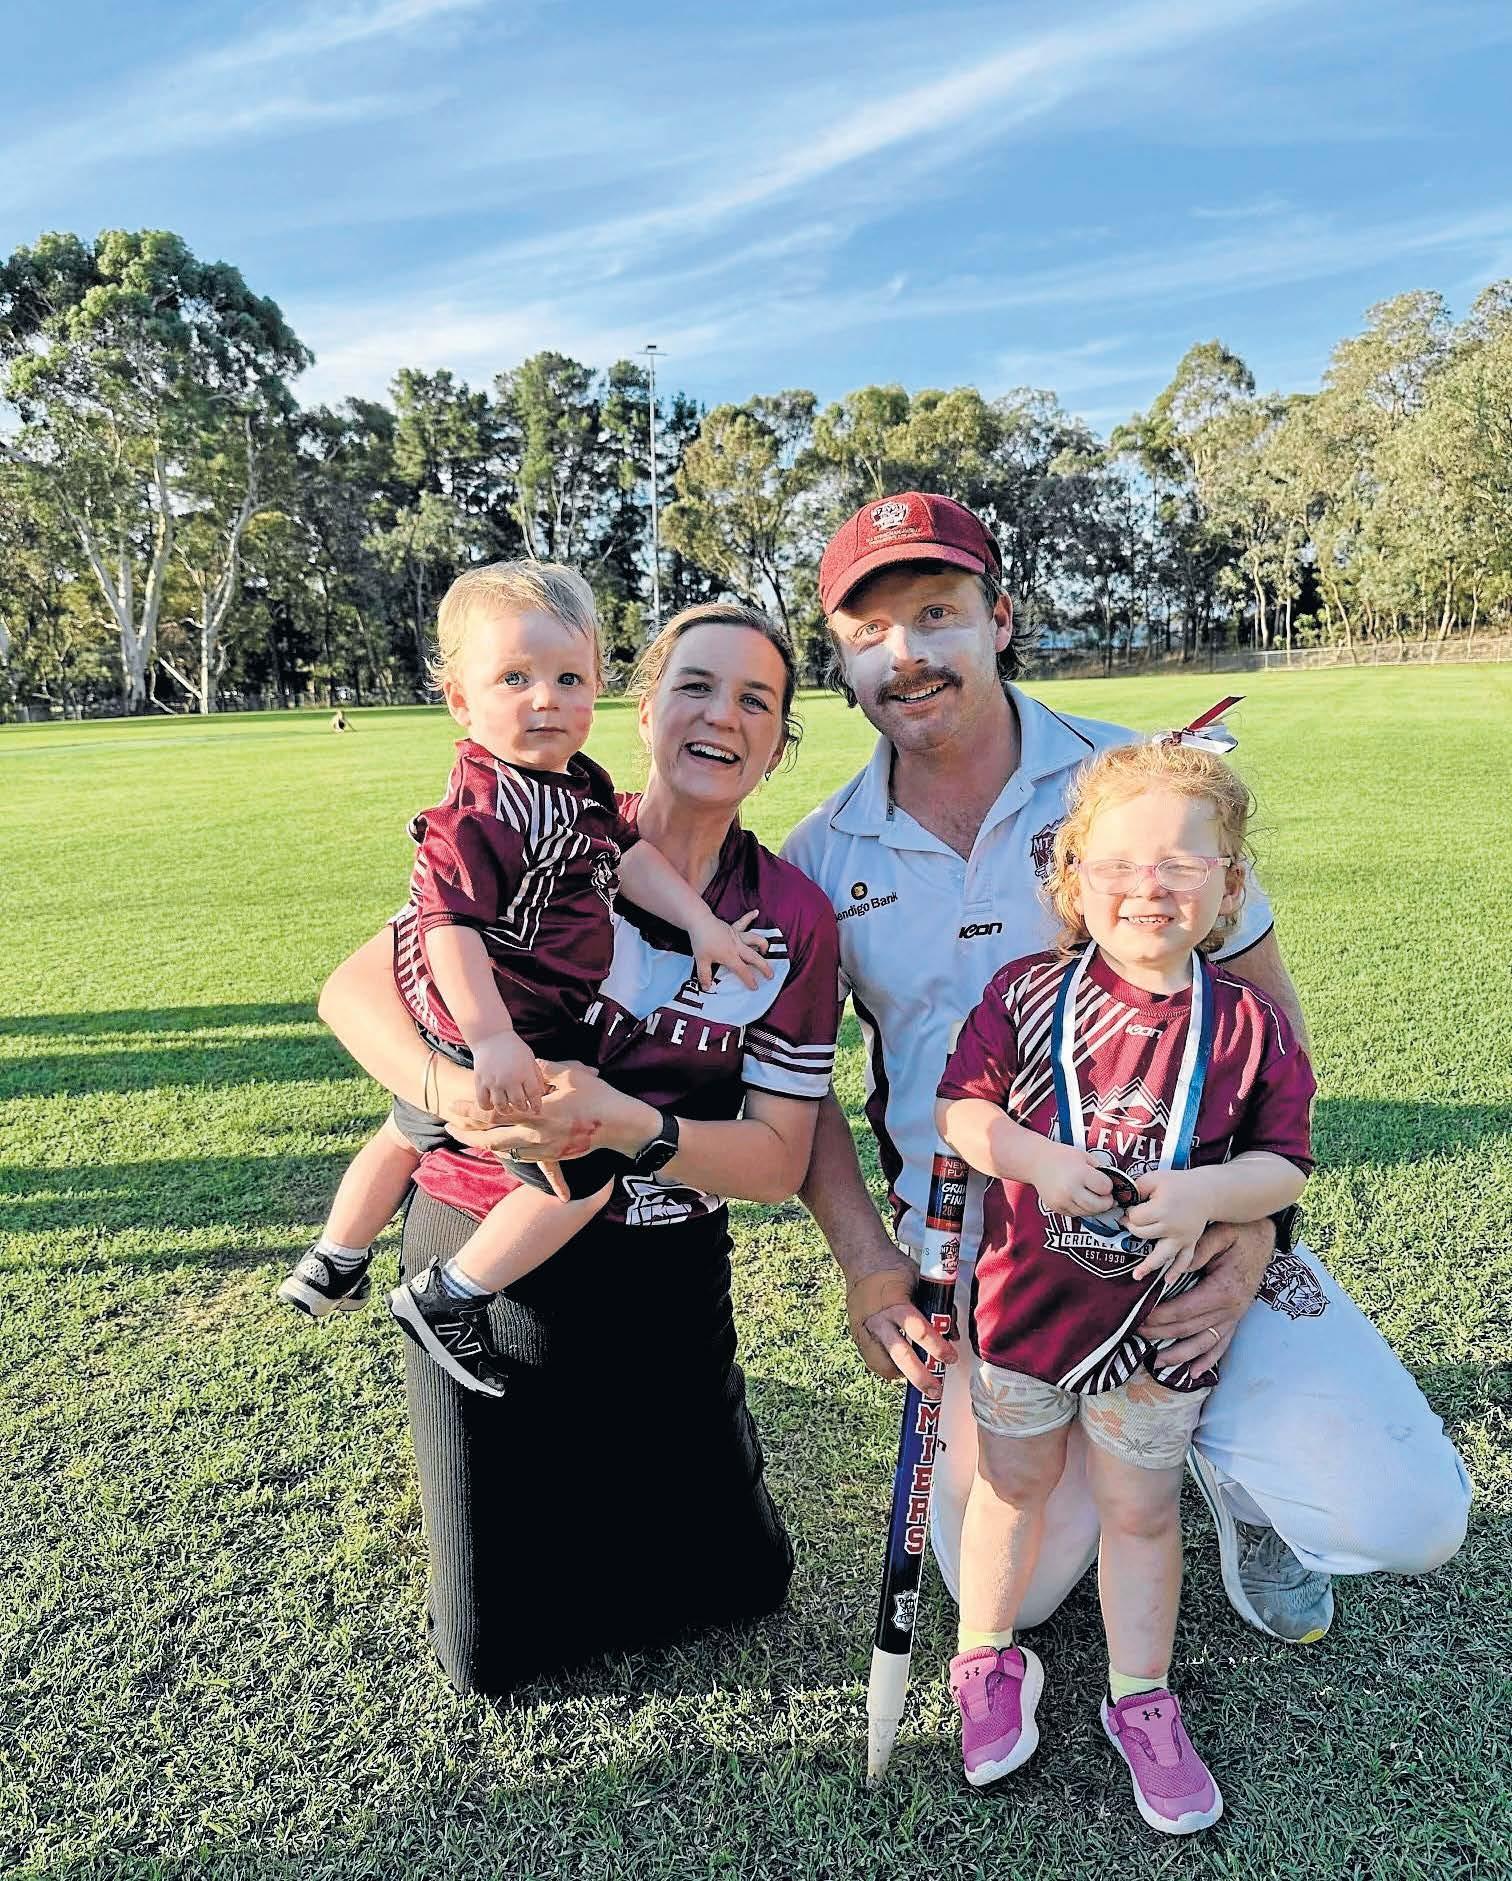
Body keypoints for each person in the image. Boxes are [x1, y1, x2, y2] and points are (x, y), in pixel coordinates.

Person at [782, 490, 1469, 1650]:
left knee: (1405, 1518)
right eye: (870, 631)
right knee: (1011, 1591)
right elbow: (802, 1090)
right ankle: (1123, 1453)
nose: (907, 654)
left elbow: (1270, 1022)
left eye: (938, 612)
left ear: (1000, 620)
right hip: (988, 1257)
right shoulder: (819, 852)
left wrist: (1250, 1233)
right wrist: (865, 1264)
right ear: (841, 660)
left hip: (1183, 1223)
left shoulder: (1137, 779)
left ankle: (1234, 1480)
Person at [315, 601, 842, 1693]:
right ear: (642, 709)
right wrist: (454, 1092)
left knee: (735, 1586)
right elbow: (352, 991)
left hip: (663, 1255)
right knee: (498, 1646)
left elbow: (777, 1162)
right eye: (695, 686)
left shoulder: (788, 914)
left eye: (756, 700)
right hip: (487, 1231)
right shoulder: (537, 816)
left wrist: (628, 1124)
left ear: (780, 742)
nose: (722, 716)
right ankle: (443, 1319)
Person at [935, 738, 1313, 1832]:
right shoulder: (1023, 994)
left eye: (1182, 864)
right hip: (1024, 1312)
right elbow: (961, 1111)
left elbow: (1286, 1163)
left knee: (1140, 1513)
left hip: (1161, 1329)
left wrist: (1209, 1194)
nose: (1149, 886)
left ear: (1229, 885)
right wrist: (1034, 1159)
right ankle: (985, 1660)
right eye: (1118, 863)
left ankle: (1140, 1696)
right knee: (1011, 1487)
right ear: (1073, 877)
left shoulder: (1247, 1026)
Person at [279, 563, 768, 1399]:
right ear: (460, 701)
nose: (547, 698)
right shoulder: (483, 811)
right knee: (584, 1179)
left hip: (486, 1025)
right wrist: (491, 1039)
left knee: (406, 1127)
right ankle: (450, 1295)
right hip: (497, 1023)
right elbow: (447, 926)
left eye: (569, 678)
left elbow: (629, 859)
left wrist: (702, 924)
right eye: (515, 678)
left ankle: (337, 1256)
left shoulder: (576, 785)